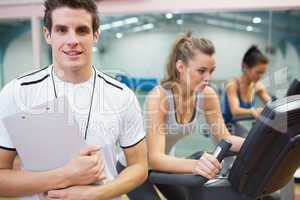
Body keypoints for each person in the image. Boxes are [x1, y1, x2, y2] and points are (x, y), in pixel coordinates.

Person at [0, 0, 147, 200]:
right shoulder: (17, 92)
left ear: (95, 36)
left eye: (82, 30)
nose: (72, 40)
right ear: (47, 35)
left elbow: (139, 166)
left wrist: (94, 194)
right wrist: (65, 175)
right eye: (61, 30)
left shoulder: (121, 95)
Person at [117, 32, 244, 200]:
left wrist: (259, 143)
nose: (208, 78)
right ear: (180, 67)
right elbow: (155, 158)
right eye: (201, 71)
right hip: (134, 166)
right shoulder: (159, 97)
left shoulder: (207, 95)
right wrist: (196, 165)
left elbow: (225, 138)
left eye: (211, 71)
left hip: (164, 165)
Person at [221, 45, 271, 137]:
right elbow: (235, 111)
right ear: (246, 67)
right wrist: (253, 111)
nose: (260, 77)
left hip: (234, 124)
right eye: (258, 72)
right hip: (219, 124)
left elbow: (271, 103)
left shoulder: (257, 86)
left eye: (263, 73)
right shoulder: (233, 85)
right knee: (246, 142)